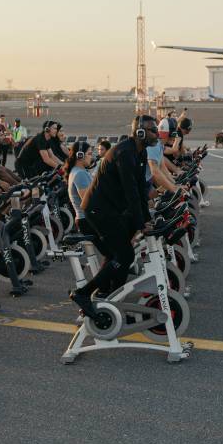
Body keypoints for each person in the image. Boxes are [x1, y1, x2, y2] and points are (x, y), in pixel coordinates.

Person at [70, 116, 160, 319]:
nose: (157, 133)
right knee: (125, 255)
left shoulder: (140, 151)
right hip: (98, 210)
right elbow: (130, 192)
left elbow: (139, 190)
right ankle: (83, 294)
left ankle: (109, 300)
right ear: (140, 132)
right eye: (153, 130)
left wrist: (146, 219)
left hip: (112, 209)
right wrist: (141, 223)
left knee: (117, 256)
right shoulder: (125, 153)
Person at [66, 141, 96, 239]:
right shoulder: (80, 174)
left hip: (85, 219)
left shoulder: (78, 171)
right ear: (80, 155)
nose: (91, 157)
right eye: (89, 154)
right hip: (87, 220)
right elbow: (88, 201)